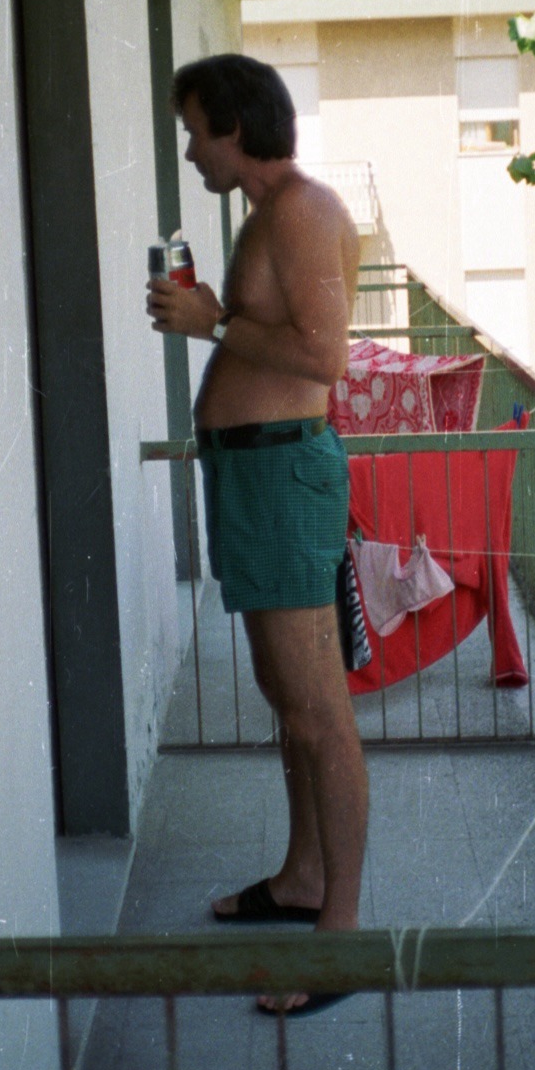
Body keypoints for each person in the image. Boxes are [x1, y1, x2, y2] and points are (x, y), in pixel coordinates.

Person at [146, 52, 366, 1017]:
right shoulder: (267, 218)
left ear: (238, 124)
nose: (190, 149)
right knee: (287, 697)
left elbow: (326, 357)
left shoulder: (305, 211)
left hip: (282, 472)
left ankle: (339, 943)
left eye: (197, 128)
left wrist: (210, 322)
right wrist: (218, 319)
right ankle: (303, 878)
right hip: (253, 475)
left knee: (318, 712)